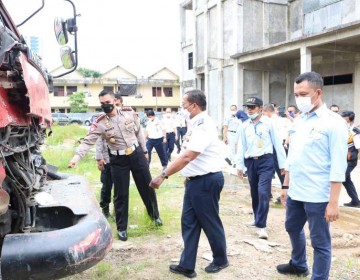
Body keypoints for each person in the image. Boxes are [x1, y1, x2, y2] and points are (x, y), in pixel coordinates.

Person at [149, 89, 229, 278]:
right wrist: (189, 176)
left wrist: (163, 175)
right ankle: (187, 265)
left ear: (194, 105)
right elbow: (193, 157)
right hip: (196, 181)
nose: (182, 109)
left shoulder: (203, 124)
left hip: (206, 181)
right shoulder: (194, 123)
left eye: (183, 105)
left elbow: (189, 155)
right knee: (189, 223)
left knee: (209, 222)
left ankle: (220, 259)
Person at [277, 72, 348, 279]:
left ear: (318, 93)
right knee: (291, 227)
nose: (299, 99)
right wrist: (286, 186)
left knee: (320, 242)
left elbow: (338, 165)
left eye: (303, 94)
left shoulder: (333, 123)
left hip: (318, 195)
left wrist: (333, 202)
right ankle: (299, 264)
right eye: (296, 94)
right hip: (296, 191)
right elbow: (293, 158)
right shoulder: (300, 120)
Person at [68, 90, 162, 242]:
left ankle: (155, 216)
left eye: (108, 102)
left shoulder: (129, 113)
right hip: (118, 160)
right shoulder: (99, 122)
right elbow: (88, 141)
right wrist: (76, 157)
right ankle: (122, 228)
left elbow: (139, 132)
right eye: (102, 104)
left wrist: (144, 150)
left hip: (136, 154)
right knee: (121, 194)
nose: (105, 105)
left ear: (115, 101)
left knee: (147, 187)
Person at [236, 97, 286, 240]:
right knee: (254, 192)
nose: (249, 109)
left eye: (253, 107)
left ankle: (262, 226)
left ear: (260, 108)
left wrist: (283, 165)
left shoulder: (269, 124)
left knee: (263, 192)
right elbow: (241, 146)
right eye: (248, 107)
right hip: (251, 162)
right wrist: (240, 165)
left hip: (266, 161)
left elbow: (278, 144)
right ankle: (257, 217)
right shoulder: (245, 125)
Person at [95, 93, 122, 218]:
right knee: (107, 186)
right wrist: (99, 158)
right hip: (107, 158)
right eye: (103, 103)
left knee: (120, 187)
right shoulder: (102, 120)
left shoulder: (125, 116)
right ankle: (105, 211)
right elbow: (99, 140)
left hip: (121, 158)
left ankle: (119, 211)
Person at [340, 111, 360, 208]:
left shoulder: (355, 132)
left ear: (350, 121)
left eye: (345, 120)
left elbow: (359, 148)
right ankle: (356, 201)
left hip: (351, 160)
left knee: (341, 177)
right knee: (346, 179)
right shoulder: (343, 130)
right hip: (343, 159)